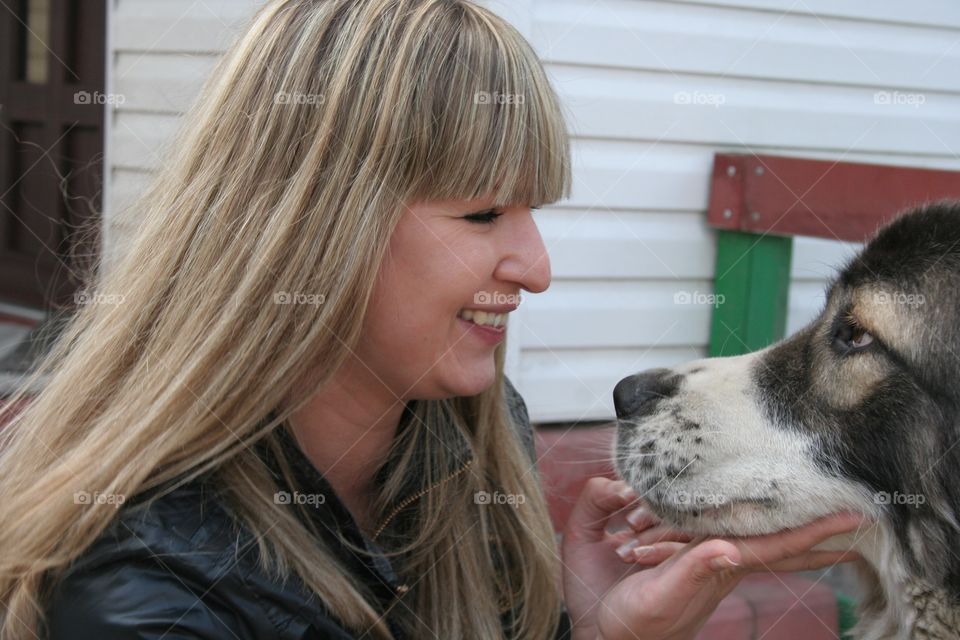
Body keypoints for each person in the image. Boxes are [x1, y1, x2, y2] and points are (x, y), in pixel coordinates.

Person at [0, 1, 865, 638]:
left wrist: (598, 627)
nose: (537, 268)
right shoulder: (148, 590)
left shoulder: (472, 433)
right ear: (310, 229)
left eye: (534, 213)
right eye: (483, 216)